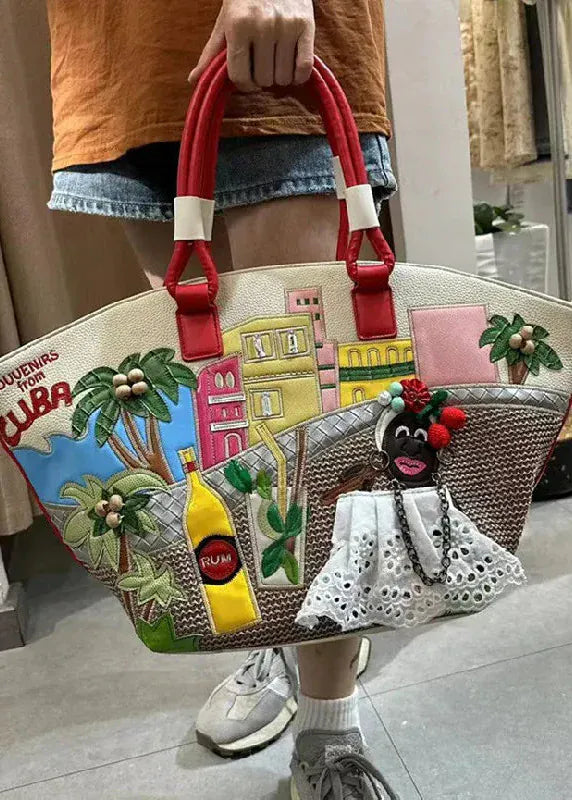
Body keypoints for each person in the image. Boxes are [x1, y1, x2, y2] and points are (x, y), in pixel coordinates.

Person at [46, 1, 397, 797]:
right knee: (222, 425)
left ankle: (328, 725)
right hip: (127, 63)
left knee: (307, 431)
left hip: (268, 54)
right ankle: (286, 626)